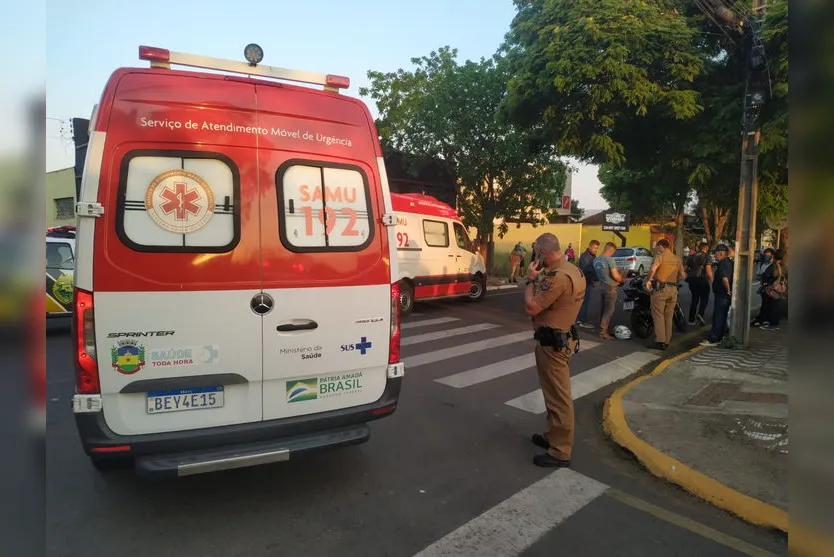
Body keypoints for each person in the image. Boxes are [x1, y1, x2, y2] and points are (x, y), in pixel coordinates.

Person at [523, 232, 586, 468]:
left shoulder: (558, 277)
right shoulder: (574, 270)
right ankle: (552, 437)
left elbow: (532, 307)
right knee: (553, 395)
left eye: (537, 251)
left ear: (544, 252)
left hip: (553, 344)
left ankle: (560, 451)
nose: (535, 255)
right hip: (561, 338)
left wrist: (530, 280)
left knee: (559, 399)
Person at [645, 239, 686, 350]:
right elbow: (683, 276)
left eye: (657, 247)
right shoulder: (677, 259)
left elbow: (653, 270)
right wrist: (674, 280)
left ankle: (660, 341)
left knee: (658, 314)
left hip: (661, 289)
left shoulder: (660, 256)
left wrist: (648, 281)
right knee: (669, 316)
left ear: (661, 246)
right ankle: (667, 340)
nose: (657, 249)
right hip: (673, 290)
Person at [701, 244, 734, 346]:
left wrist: (728, 290)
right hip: (723, 294)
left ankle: (714, 339)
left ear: (720, 253)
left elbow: (724, 278)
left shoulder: (724, 263)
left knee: (719, 316)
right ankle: (720, 336)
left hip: (722, 294)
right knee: (722, 315)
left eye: (715, 252)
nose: (714, 254)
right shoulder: (727, 262)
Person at [592, 242, 625, 339]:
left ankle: (602, 328)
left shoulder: (596, 259)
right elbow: (615, 276)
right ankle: (603, 332)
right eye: (613, 252)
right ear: (611, 250)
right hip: (610, 287)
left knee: (603, 308)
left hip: (601, 285)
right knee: (609, 310)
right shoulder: (609, 259)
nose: (613, 254)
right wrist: (622, 279)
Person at [752, 249, 786, 330]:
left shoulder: (774, 266)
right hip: (779, 288)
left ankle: (769, 321)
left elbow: (768, 276)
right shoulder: (783, 266)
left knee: (769, 304)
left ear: (774, 256)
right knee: (775, 305)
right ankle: (772, 320)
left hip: (771, 289)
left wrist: (765, 281)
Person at [575, 240, 600, 329]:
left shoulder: (592, 256)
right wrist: (593, 279)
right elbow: (586, 270)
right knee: (584, 302)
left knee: (584, 301)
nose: (596, 250)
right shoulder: (586, 256)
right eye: (594, 248)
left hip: (588, 281)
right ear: (589, 247)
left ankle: (580, 319)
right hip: (585, 282)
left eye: (597, 248)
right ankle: (582, 320)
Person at [686, 242, 711, 326]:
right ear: (706, 248)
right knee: (704, 298)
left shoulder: (691, 256)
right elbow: (708, 271)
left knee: (694, 299)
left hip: (692, 281)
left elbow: (685, 268)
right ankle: (700, 314)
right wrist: (712, 279)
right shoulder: (707, 257)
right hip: (703, 280)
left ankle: (691, 319)